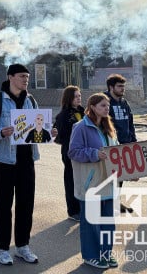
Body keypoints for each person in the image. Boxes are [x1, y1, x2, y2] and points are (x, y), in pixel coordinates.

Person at [0, 64, 40, 266]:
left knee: (26, 204)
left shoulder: (30, 100)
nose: (26, 80)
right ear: (10, 77)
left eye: (28, 77)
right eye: (22, 76)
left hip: (27, 160)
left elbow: (37, 129)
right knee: (4, 206)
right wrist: (1, 132)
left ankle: (23, 246)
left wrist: (49, 132)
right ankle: (2, 249)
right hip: (5, 160)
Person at [68, 93, 119, 269]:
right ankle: (91, 255)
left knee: (107, 222)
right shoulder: (80, 127)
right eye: (103, 106)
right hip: (90, 184)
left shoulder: (108, 127)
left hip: (108, 182)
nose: (107, 109)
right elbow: (73, 152)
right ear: (92, 107)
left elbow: (117, 151)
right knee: (91, 222)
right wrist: (94, 154)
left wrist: (128, 171)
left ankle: (106, 253)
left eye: (108, 106)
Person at [104, 74, 136, 213]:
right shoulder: (104, 101)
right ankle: (107, 204)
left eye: (123, 86)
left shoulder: (124, 103)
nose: (123, 89)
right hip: (110, 146)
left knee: (120, 176)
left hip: (125, 144)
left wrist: (133, 141)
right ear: (111, 87)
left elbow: (130, 123)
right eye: (119, 86)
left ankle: (116, 203)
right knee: (108, 177)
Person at [53, 85, 85, 222]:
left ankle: (83, 207)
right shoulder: (63, 115)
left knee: (83, 180)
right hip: (69, 152)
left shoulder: (84, 111)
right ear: (69, 98)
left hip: (84, 151)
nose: (79, 98)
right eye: (76, 96)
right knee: (71, 180)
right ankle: (73, 210)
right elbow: (59, 136)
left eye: (79, 96)